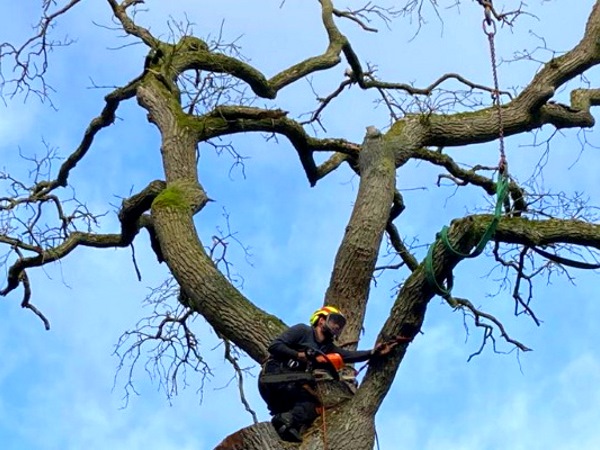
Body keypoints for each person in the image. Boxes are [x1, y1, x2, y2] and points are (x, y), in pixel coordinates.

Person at [258, 306, 397, 443]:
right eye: (334, 321)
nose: (337, 326)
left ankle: (286, 422)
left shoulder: (328, 348)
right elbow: (274, 346)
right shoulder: (303, 331)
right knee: (309, 380)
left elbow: (348, 355)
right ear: (321, 320)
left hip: (287, 392)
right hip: (274, 375)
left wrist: (373, 353)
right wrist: (299, 355)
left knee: (314, 407)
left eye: (340, 325)